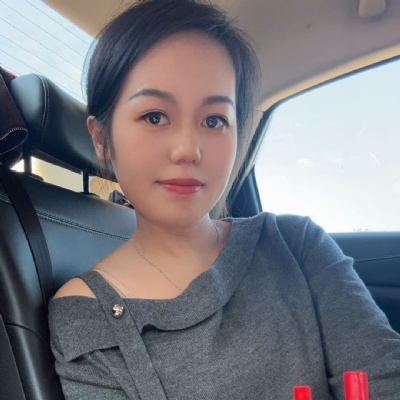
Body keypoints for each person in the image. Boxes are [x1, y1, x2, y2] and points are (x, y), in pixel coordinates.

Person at [48, 1, 400, 399]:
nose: (188, 149)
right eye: (155, 116)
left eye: (214, 120)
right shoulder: (88, 312)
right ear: (101, 139)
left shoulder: (297, 244)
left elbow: (385, 379)